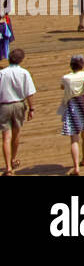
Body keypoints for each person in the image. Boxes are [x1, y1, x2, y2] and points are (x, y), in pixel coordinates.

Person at [0, 47, 36, 176]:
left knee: (6, 137)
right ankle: (13, 159)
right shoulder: (24, 73)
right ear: (21, 60)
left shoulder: (2, 73)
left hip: (4, 105)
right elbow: (29, 93)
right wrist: (31, 108)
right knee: (16, 134)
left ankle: (8, 167)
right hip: (19, 105)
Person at [59, 54, 84, 174]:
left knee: (74, 138)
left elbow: (62, 87)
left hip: (72, 106)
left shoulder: (66, 77)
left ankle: (76, 167)